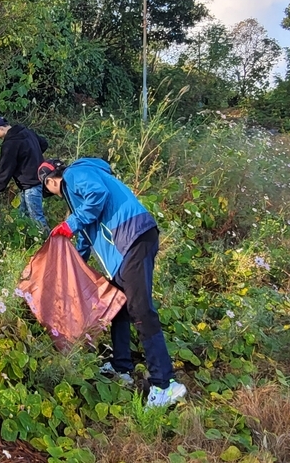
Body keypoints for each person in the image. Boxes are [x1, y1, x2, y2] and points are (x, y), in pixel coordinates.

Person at [37, 157, 187, 408]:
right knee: (119, 306)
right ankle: (121, 367)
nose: (51, 193)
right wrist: (73, 264)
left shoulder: (74, 174)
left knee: (140, 309)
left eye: (47, 189)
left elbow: (98, 194)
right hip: (124, 249)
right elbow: (85, 236)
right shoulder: (76, 195)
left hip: (131, 238)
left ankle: (165, 384)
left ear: (51, 181)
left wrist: (69, 224)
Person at [0, 116, 49, 230]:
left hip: (31, 184)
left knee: (37, 220)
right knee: (22, 217)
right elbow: (44, 144)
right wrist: (32, 156)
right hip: (37, 180)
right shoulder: (27, 132)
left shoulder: (10, 143)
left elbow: (5, 169)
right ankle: (26, 239)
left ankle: (49, 240)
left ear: (0, 128)